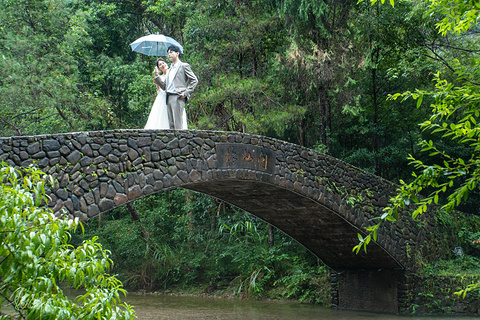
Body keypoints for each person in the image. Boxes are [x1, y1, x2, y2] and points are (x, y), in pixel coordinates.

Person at [153, 45, 198, 129]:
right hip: (168, 97)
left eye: (171, 52)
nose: (169, 55)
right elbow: (164, 87)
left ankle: (180, 142)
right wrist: (158, 78)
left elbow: (194, 80)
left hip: (178, 97)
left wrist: (186, 93)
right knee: (171, 125)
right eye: (168, 53)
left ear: (177, 53)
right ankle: (173, 142)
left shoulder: (183, 66)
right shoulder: (169, 69)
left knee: (178, 125)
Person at [145, 58, 170, 129]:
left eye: (163, 63)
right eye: (160, 64)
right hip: (161, 98)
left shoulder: (172, 73)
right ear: (158, 68)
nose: (162, 65)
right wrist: (157, 78)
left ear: (166, 63)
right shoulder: (159, 77)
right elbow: (158, 91)